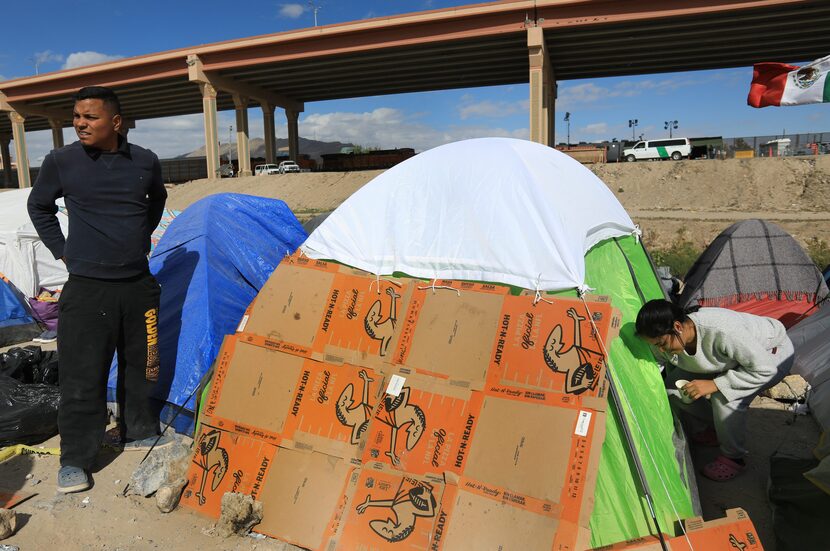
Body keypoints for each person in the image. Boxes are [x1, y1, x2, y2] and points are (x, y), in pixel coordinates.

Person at [27, 86, 170, 494]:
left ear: (116, 122)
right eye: (76, 116)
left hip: (137, 284)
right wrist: (63, 251)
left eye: (89, 117)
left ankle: (137, 429)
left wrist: (138, 238)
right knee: (81, 375)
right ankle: (76, 458)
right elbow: (39, 206)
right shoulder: (61, 161)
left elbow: (156, 201)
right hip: (87, 288)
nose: (79, 124)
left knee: (142, 365)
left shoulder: (145, 161)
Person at [635, 299, 793, 481]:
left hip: (771, 354)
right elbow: (656, 362)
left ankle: (734, 457)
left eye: (662, 343)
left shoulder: (721, 330)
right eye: (656, 345)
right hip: (729, 360)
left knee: (724, 398)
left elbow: (764, 369)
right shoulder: (670, 338)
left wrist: (715, 384)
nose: (661, 349)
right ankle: (719, 429)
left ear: (677, 326)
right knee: (674, 389)